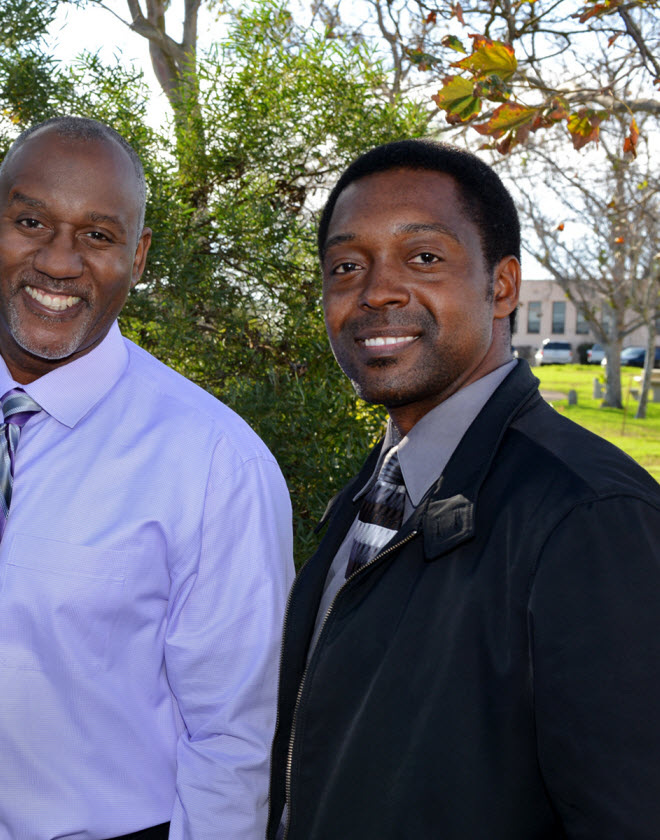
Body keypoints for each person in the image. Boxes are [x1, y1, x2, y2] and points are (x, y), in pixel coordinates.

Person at [0, 116, 294, 840]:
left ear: (136, 257)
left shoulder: (213, 464)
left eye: (98, 236)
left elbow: (234, 741)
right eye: (31, 221)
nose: (59, 261)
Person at [267, 139, 660, 839]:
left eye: (423, 258)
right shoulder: (371, 492)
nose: (377, 290)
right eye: (346, 266)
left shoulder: (590, 518)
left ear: (502, 286)